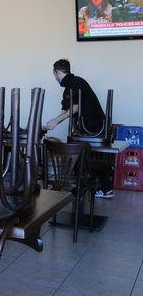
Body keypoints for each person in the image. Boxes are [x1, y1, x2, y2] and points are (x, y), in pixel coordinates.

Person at [44, 59, 113, 198]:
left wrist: (56, 122)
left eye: (54, 74)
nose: (55, 78)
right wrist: (51, 123)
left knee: (87, 155)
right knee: (79, 154)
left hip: (94, 125)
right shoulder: (68, 86)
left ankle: (105, 187)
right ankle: (79, 188)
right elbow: (65, 110)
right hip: (84, 126)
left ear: (57, 72)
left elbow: (75, 107)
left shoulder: (76, 83)